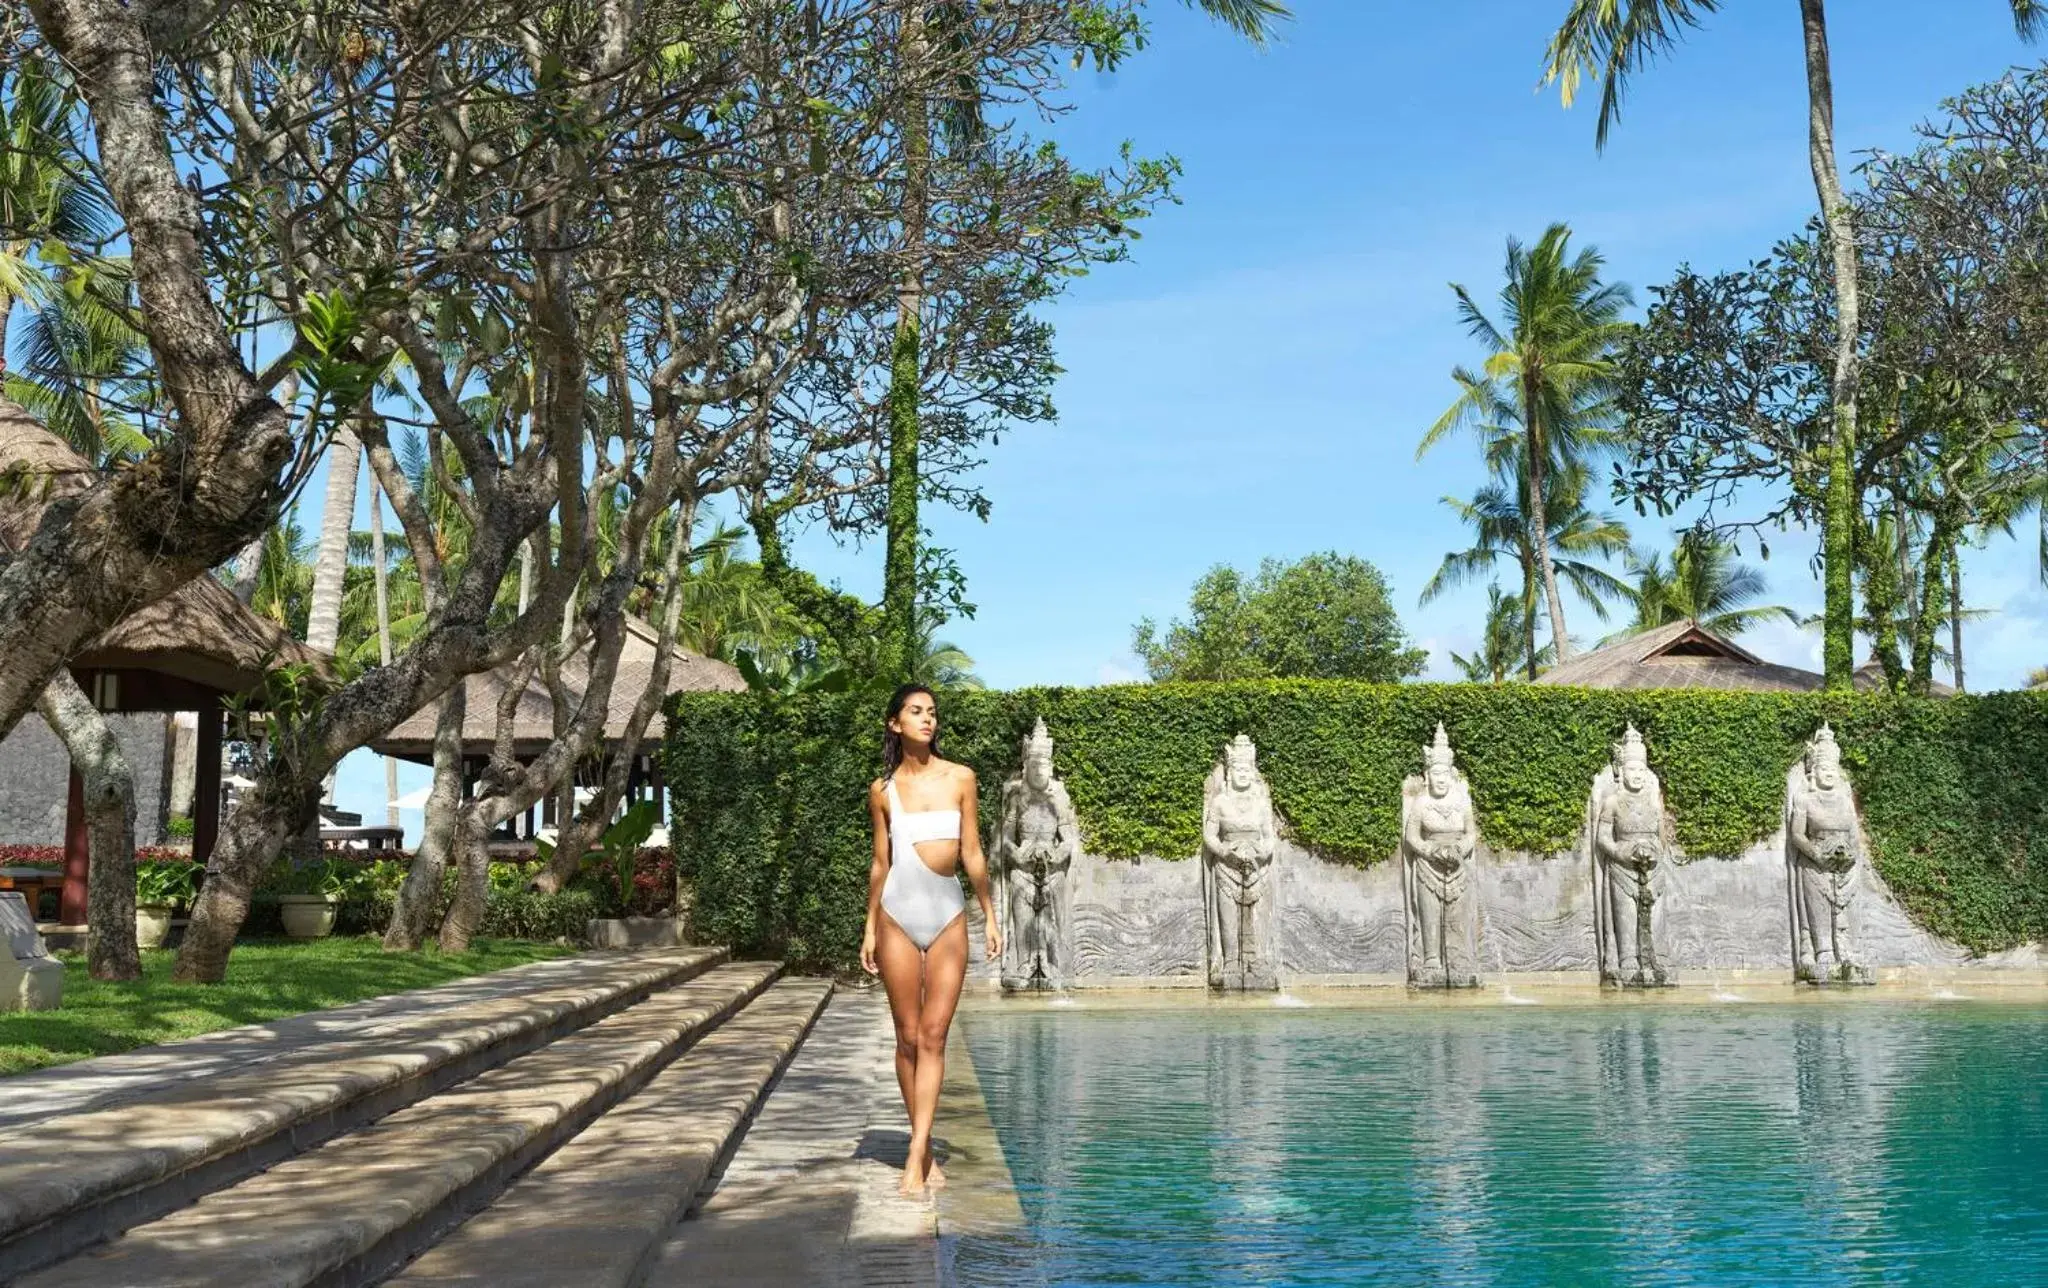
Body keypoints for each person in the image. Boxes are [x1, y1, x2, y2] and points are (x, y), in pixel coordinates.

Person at [861, 683, 1000, 1195]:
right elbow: (880, 863)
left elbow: (973, 852)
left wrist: (990, 913)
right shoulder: (883, 790)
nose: (928, 719)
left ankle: (918, 1151)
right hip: (898, 914)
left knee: (936, 1035)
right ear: (895, 724)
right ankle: (922, 1148)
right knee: (908, 1036)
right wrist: (870, 926)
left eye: (932, 712)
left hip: (947, 914)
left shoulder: (961, 777)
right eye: (916, 712)